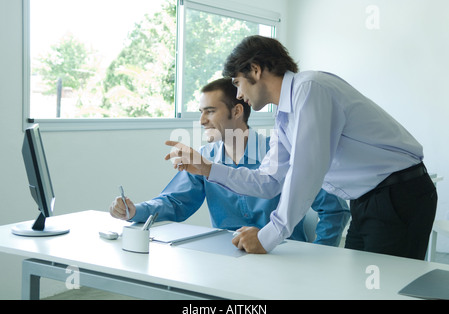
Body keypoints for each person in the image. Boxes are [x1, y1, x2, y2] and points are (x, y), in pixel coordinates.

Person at [165, 36, 437, 260]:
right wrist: (208, 168)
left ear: (256, 70)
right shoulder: (284, 117)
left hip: (399, 193)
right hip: (367, 201)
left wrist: (268, 236)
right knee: (360, 286)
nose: (238, 94)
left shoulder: (310, 89)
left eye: (237, 82)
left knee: (383, 290)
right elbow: (269, 180)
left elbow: (306, 171)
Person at [110, 78, 350, 246]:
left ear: (236, 112)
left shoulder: (282, 154)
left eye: (210, 111)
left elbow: (334, 209)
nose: (202, 121)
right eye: (201, 111)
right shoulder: (204, 158)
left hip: (282, 257)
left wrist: (319, 254)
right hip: (228, 255)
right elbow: (175, 202)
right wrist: (135, 211)